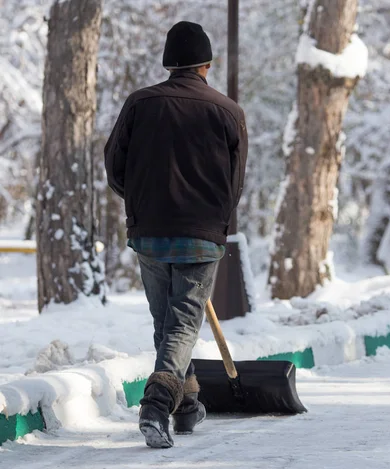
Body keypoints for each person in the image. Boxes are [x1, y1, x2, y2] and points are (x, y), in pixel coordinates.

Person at [104, 21, 248, 448]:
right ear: (207, 64)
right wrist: (213, 222)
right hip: (202, 233)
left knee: (168, 321)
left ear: (169, 63)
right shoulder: (228, 111)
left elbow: (115, 165)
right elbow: (234, 185)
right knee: (182, 323)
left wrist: (142, 203)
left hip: (149, 231)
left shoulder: (139, 103)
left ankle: (186, 406)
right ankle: (156, 406)